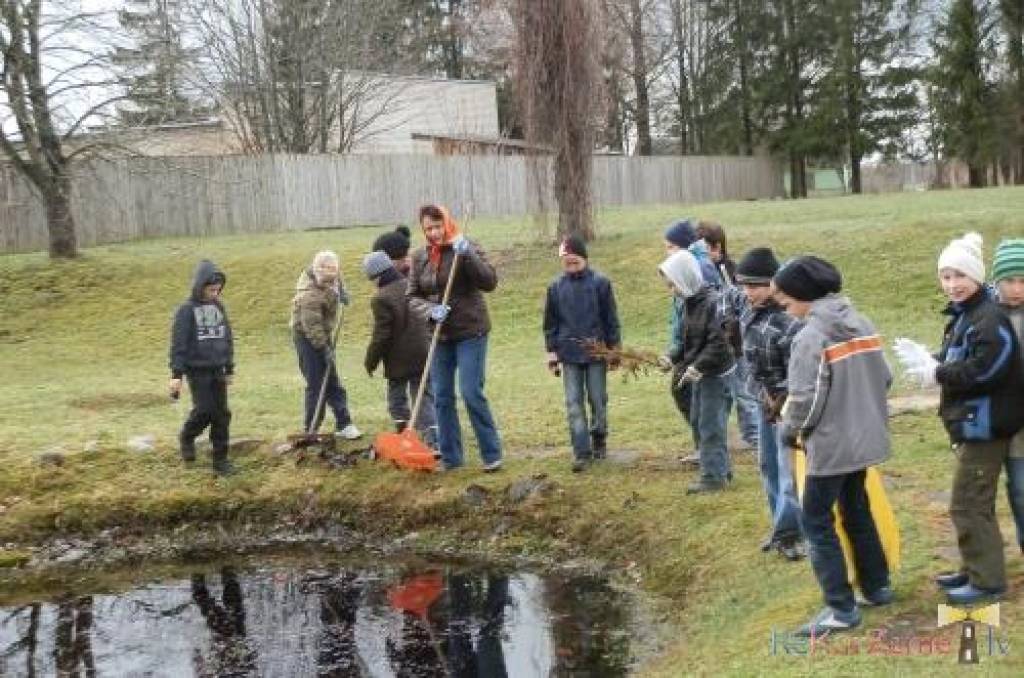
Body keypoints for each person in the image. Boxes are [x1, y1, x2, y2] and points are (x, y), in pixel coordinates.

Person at [895, 233, 1024, 605]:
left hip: (987, 426)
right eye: (946, 276)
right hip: (972, 422)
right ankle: (973, 568)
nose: (953, 284)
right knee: (969, 501)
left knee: (969, 502)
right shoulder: (968, 314)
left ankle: (987, 581)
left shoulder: (989, 318)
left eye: (960, 276)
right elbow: (962, 356)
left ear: (978, 277)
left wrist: (937, 373)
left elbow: (988, 371)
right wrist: (933, 359)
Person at [773, 256, 892, 637]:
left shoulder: (810, 337)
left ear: (803, 294)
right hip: (864, 440)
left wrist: (788, 431)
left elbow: (805, 400)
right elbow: (885, 377)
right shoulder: (863, 322)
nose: (782, 303)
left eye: (786, 296)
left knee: (815, 521)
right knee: (857, 509)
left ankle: (840, 609)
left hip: (830, 447)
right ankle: (876, 588)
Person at [407, 204, 502, 472]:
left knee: (471, 392)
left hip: (471, 330)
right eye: (429, 228)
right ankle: (451, 458)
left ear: (447, 223)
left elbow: (489, 282)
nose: (435, 233)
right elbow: (411, 296)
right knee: (442, 396)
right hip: (440, 335)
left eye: (438, 226)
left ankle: (492, 453)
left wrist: (468, 254)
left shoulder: (466, 245)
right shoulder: (419, 257)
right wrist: (430, 311)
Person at [736, 247, 805, 560]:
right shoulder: (748, 312)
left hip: (788, 407)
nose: (747, 292)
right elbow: (749, 363)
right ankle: (779, 526)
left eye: (754, 286)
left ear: (772, 285)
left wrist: (783, 400)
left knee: (788, 470)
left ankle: (792, 534)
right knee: (768, 466)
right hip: (762, 403)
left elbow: (802, 370)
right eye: (744, 285)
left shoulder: (789, 322)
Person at [658, 249, 735, 493]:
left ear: (686, 278)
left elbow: (719, 343)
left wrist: (698, 366)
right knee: (698, 420)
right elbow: (684, 340)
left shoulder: (713, 303)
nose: (673, 290)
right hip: (700, 373)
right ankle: (720, 467)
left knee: (711, 425)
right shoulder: (688, 303)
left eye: (674, 284)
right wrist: (671, 357)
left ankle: (713, 478)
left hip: (716, 374)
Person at [543, 235, 622, 472]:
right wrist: (551, 352)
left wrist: (613, 349)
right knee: (573, 403)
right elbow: (551, 323)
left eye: (575, 262)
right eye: (566, 263)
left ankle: (599, 437)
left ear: (584, 259)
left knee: (598, 399)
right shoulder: (555, 288)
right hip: (569, 354)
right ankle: (581, 451)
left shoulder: (601, 284)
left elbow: (611, 319)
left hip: (596, 352)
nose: (571, 267)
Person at [169, 259, 236, 476]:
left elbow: (227, 339)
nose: (215, 293)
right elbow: (178, 344)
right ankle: (187, 436)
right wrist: (176, 374)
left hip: (217, 368)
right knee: (205, 410)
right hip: (197, 370)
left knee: (222, 414)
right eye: (211, 289)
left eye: (218, 289)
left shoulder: (219, 307)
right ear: (200, 286)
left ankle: (221, 459)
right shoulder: (186, 311)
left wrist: (229, 367)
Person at [363, 249, 436, 446]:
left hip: (398, 359)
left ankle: (404, 433)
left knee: (396, 399)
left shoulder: (381, 298)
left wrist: (371, 361)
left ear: (377, 276)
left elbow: (381, 335)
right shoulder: (412, 285)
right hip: (424, 351)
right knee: (424, 397)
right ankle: (433, 439)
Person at [700, 221, 760, 450]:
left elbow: (739, 307)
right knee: (721, 395)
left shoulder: (733, 272)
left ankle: (753, 435)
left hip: (736, 343)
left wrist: (732, 331)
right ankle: (718, 435)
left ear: (717, 248)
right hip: (715, 346)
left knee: (744, 393)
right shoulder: (702, 271)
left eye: (705, 249)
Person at [290, 250, 362, 440]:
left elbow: (338, 282)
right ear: (317, 274)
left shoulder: (333, 275)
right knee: (316, 383)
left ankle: (344, 424)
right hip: (306, 337)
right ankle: (311, 429)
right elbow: (312, 327)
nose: (332, 284)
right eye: (327, 282)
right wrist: (324, 349)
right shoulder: (308, 295)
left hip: (324, 333)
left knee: (332, 381)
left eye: (334, 280)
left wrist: (342, 293)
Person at [992, 239, 1024, 553]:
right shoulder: (985, 313)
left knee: (1021, 489)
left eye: (1023, 281)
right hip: (990, 418)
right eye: (1009, 280)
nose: (1016, 288)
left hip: (1021, 425)